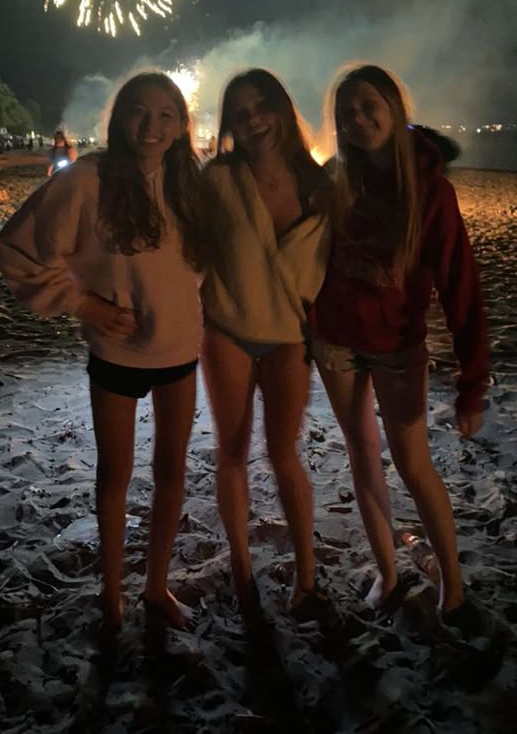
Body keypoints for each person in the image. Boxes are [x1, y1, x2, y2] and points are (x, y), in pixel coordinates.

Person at [0, 72, 205, 634]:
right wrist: (83, 304)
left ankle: (156, 586)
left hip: (181, 348)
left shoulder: (192, 184)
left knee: (171, 472)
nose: (152, 126)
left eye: (166, 115)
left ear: (183, 124)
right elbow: (19, 248)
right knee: (114, 476)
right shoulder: (88, 178)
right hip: (116, 352)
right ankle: (112, 595)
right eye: (140, 112)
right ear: (120, 119)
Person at [308, 63, 489, 634]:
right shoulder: (336, 181)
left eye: (367, 107)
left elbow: (463, 288)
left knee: (413, 464)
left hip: (398, 345)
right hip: (335, 339)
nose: (356, 120)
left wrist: (471, 384)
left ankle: (453, 588)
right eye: (345, 113)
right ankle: (388, 574)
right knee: (363, 457)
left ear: (394, 109)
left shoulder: (432, 192)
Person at [200, 68, 331, 621]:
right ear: (230, 122)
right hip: (227, 327)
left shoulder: (318, 182)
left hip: (289, 337)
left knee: (284, 456)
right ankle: (241, 569)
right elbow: (185, 245)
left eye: (262, 107)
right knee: (231, 452)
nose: (253, 120)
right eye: (241, 112)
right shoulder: (218, 179)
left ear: (281, 108)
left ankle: (306, 577)